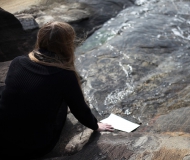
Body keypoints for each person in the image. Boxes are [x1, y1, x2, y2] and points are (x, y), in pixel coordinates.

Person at [0, 21, 114, 159]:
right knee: (62, 99)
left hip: (3, 136)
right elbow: (79, 110)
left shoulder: (18, 61)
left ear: (40, 38)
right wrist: (96, 125)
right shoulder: (64, 75)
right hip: (34, 146)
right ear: (67, 44)